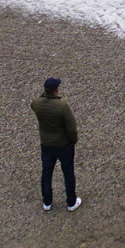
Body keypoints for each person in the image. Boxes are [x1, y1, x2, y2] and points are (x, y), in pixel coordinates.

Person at [31, 77, 81, 211]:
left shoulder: (37, 104)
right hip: (63, 144)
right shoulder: (62, 107)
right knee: (68, 173)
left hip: (46, 144)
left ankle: (47, 201)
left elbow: (37, 100)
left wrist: (46, 94)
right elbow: (71, 128)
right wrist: (74, 140)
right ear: (57, 90)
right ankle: (71, 202)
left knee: (46, 172)